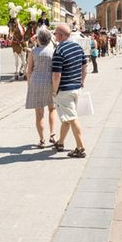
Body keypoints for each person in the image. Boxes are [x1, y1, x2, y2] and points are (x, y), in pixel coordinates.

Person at [51, 23, 88, 158]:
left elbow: (56, 75)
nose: (54, 37)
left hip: (64, 90)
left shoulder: (59, 50)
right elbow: (85, 66)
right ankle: (60, 143)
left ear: (60, 36)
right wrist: (82, 81)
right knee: (66, 118)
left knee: (72, 118)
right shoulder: (78, 47)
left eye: (55, 34)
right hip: (76, 88)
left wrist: (54, 91)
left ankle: (80, 147)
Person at [25, 27, 59, 147]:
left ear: (38, 39)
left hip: (36, 82)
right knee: (52, 109)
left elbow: (29, 70)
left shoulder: (33, 51)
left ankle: (42, 139)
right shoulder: (54, 51)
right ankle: (53, 134)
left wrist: (29, 84)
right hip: (49, 82)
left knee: (39, 113)